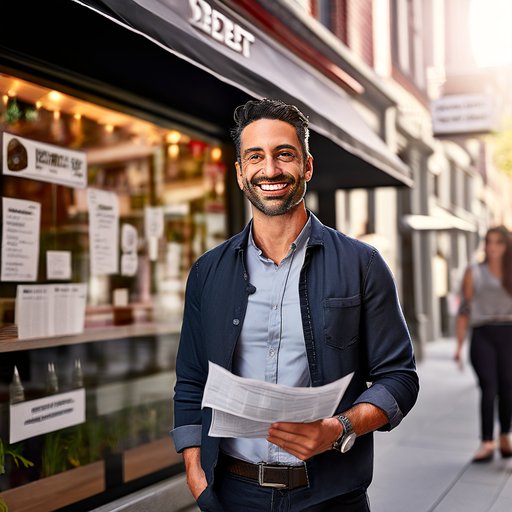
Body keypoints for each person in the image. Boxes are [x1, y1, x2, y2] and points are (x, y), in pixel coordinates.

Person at [171, 98, 419, 511]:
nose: (269, 170)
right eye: (256, 157)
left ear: (306, 166)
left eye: (284, 154)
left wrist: (340, 427)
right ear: (239, 173)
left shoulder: (362, 264)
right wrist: (196, 473)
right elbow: (192, 380)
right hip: (233, 495)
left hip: (331, 496)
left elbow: (400, 379)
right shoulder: (207, 273)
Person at [454, 225, 512, 463]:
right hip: (482, 334)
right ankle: (486, 442)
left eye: (498, 242)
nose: (492, 247)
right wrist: (458, 345)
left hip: (509, 332)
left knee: (508, 387)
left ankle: (505, 435)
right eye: (489, 242)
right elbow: (464, 309)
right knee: (488, 387)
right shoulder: (474, 272)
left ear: (507, 246)